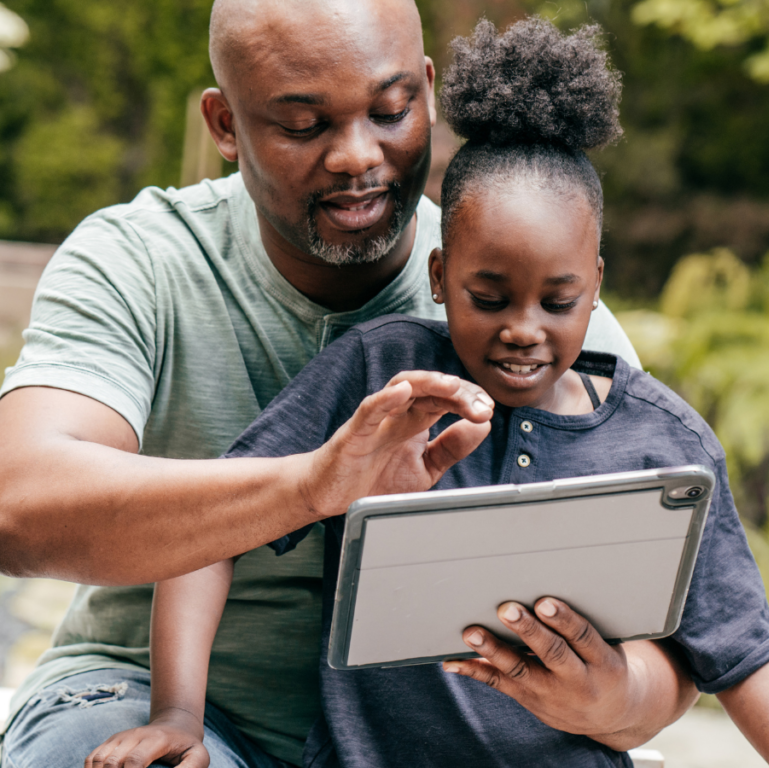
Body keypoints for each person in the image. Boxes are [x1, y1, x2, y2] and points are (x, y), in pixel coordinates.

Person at [86, 18, 769, 768]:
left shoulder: (662, 443)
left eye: (557, 301)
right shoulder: (384, 379)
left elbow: (742, 649)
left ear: (597, 288)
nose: (522, 329)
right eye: (489, 295)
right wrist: (178, 715)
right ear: (440, 277)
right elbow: (210, 530)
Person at [0, 2, 644, 768]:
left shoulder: (532, 303)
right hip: (148, 699)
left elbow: (681, 638)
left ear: (429, 93)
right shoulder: (141, 260)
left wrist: (618, 701)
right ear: (224, 124)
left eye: (391, 109)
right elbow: (19, 502)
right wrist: (310, 487)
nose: (355, 155)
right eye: (305, 125)